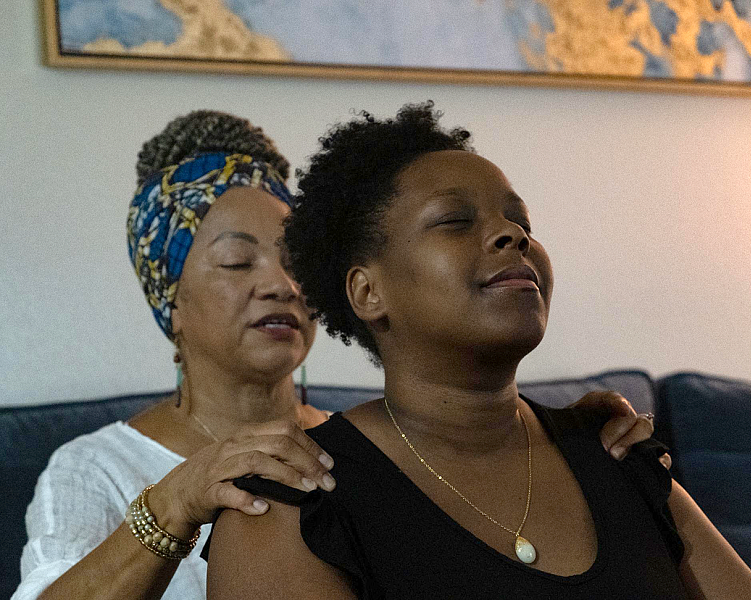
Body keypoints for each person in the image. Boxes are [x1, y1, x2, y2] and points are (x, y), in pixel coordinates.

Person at [13, 110, 654, 600]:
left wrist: (561, 441)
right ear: (170, 303)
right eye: (238, 262)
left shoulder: (366, 449)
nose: (280, 284)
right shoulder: (93, 470)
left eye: (295, 263)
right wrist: (176, 502)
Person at [205, 103, 751, 599]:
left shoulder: (619, 459)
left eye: (520, 222)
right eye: (454, 221)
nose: (514, 236)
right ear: (367, 291)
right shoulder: (288, 504)